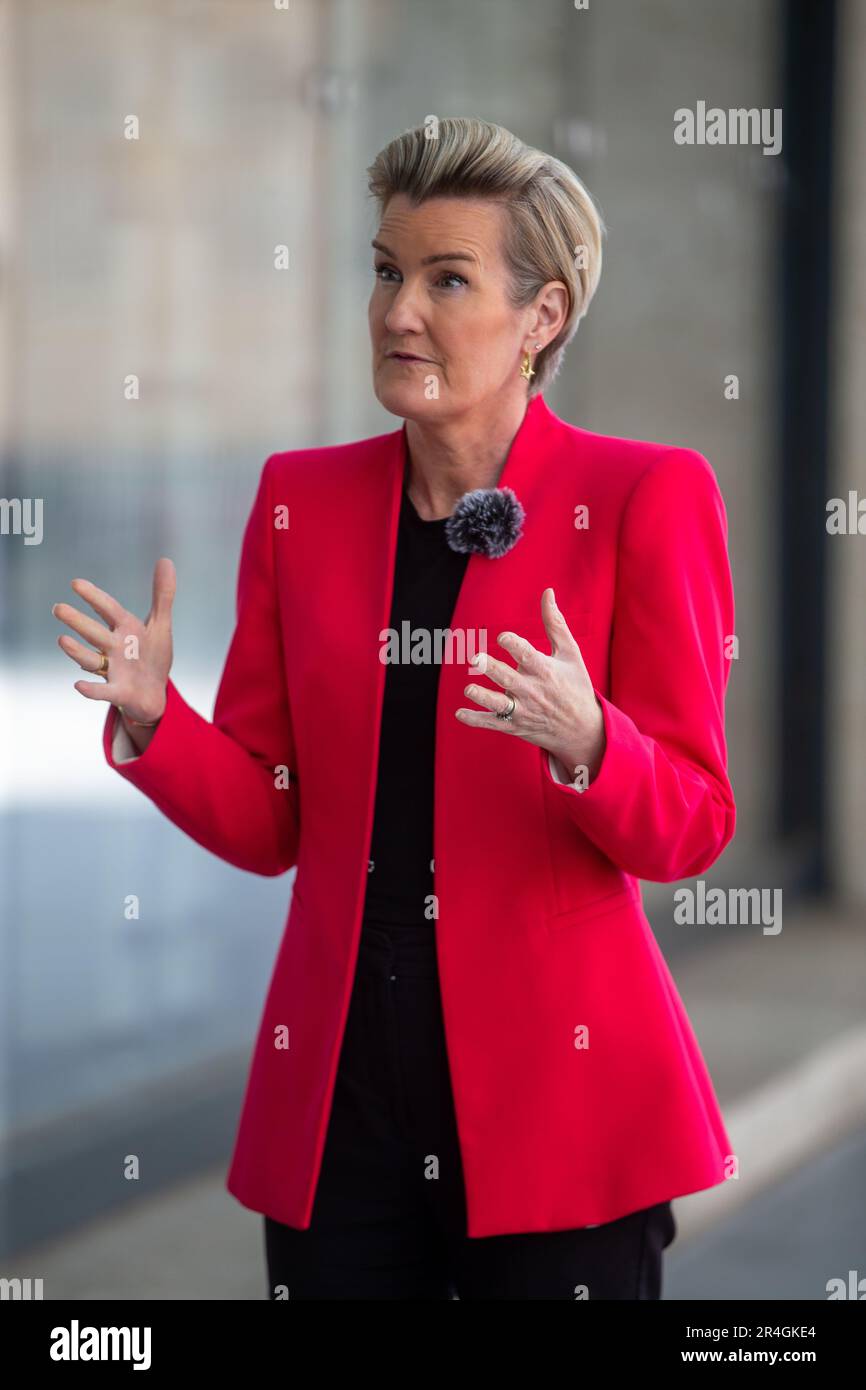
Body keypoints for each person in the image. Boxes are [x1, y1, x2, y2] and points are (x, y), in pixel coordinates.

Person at [52, 117, 736, 1299]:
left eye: (446, 277)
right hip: (343, 1117)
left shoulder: (642, 495)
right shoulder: (299, 504)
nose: (397, 310)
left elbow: (691, 820)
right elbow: (274, 825)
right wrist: (161, 724)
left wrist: (588, 743)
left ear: (544, 316)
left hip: (558, 1119)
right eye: (385, 270)